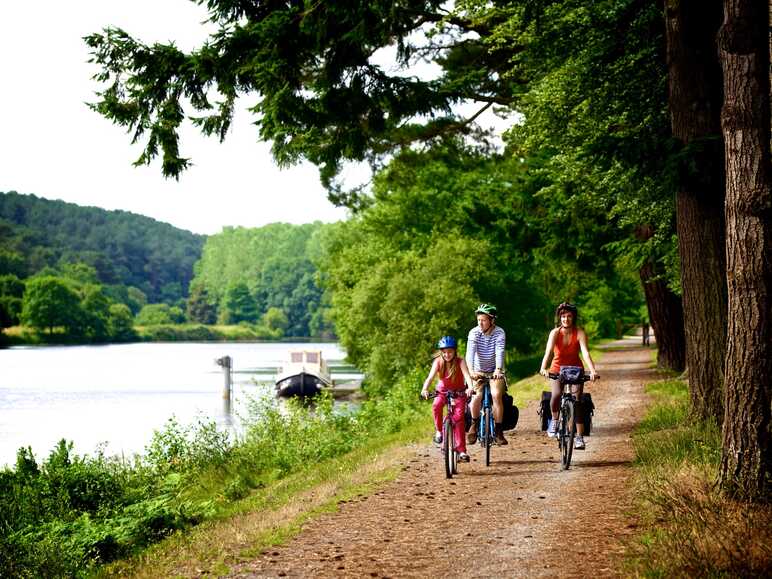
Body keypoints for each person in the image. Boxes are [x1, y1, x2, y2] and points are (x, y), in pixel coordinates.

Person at [539, 302, 598, 449]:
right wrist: (543, 368)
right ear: (560, 318)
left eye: (569, 316)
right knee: (557, 394)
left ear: (574, 318)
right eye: (563, 316)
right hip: (557, 369)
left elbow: (585, 353)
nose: (566, 319)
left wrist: (593, 371)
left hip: (575, 369)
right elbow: (548, 352)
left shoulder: (580, 333)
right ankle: (554, 420)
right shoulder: (555, 333)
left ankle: (579, 437)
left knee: (577, 401)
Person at [421, 335, 475, 462]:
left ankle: (462, 451)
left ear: (455, 351)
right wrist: (424, 389)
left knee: (459, 418)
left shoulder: (460, 361)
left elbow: (467, 376)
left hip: (459, 392)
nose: (447, 354)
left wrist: (470, 388)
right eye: (444, 352)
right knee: (436, 405)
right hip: (442, 392)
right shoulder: (438, 362)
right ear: (441, 352)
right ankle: (439, 431)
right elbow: (430, 378)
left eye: (450, 351)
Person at [465, 303, 509, 445]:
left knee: (496, 395)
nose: (480, 323)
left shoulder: (499, 332)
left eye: (483, 320)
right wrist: (471, 372)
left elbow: (499, 352)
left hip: (495, 372)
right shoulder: (473, 333)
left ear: (492, 320)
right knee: (476, 396)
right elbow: (469, 354)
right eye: (478, 320)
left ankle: (498, 431)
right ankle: (474, 424)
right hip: (477, 371)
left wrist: (498, 369)